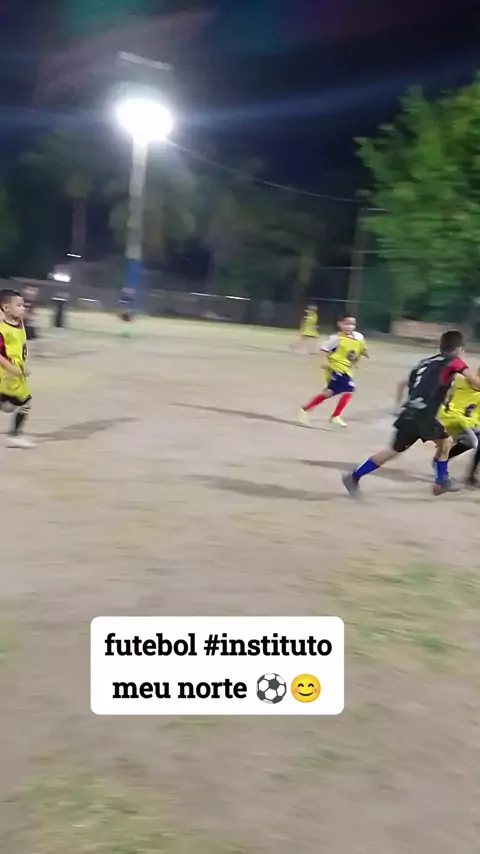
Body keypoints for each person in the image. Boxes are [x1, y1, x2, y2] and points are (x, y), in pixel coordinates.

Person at [342, 330, 480, 498]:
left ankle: (353, 477)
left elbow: (408, 383)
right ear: (458, 349)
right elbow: (475, 382)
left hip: (410, 412)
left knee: (392, 451)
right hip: (424, 415)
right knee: (446, 442)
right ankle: (441, 482)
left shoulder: (424, 363)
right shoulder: (454, 361)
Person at [298, 315, 369, 428]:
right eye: (346, 324)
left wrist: (362, 356)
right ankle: (336, 416)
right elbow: (323, 351)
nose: (350, 326)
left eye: (352, 324)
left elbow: (361, 349)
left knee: (329, 392)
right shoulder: (336, 339)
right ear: (340, 324)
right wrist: (324, 363)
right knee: (349, 389)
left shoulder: (359, 337)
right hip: (335, 368)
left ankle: (304, 410)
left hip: (346, 368)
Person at [0, 289, 35, 448]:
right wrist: (10, 367)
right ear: (6, 308)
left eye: (23, 305)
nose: (23, 308)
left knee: (9, 405)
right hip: (7, 375)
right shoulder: (2, 330)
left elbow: (20, 348)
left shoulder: (19, 323)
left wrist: (23, 366)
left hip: (16, 373)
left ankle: (15, 435)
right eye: (19, 305)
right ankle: (14, 436)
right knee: (25, 402)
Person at [440, 369, 480, 486]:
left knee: (474, 442)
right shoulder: (461, 381)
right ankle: (441, 461)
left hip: (469, 422)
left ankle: (471, 475)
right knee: (472, 441)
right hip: (453, 419)